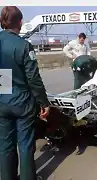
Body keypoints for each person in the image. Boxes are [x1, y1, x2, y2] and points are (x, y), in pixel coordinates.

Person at [0, 6, 50, 180]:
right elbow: (33, 79)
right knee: (25, 145)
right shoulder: (24, 46)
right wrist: (44, 103)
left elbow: (4, 75)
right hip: (23, 104)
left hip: (2, 101)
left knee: (5, 145)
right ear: (20, 23)